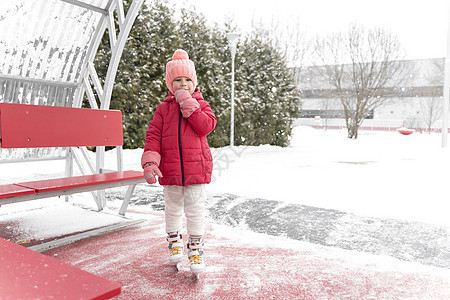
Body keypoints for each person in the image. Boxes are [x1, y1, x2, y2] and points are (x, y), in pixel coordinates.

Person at [141, 49, 217, 275]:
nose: (183, 85)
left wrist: (190, 106)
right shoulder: (163, 109)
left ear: (194, 83)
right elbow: (153, 136)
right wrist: (150, 162)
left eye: (187, 80)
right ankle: (174, 240)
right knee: (172, 209)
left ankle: (195, 247)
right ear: (169, 84)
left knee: (195, 211)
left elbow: (207, 126)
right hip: (170, 171)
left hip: (196, 169)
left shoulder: (201, 105)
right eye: (177, 81)